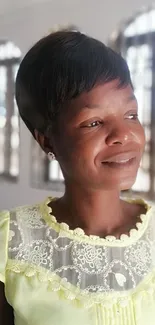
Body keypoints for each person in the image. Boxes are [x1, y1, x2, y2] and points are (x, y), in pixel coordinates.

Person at [0, 29, 155, 325]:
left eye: (131, 114)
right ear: (47, 141)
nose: (124, 135)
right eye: (94, 122)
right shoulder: (10, 245)